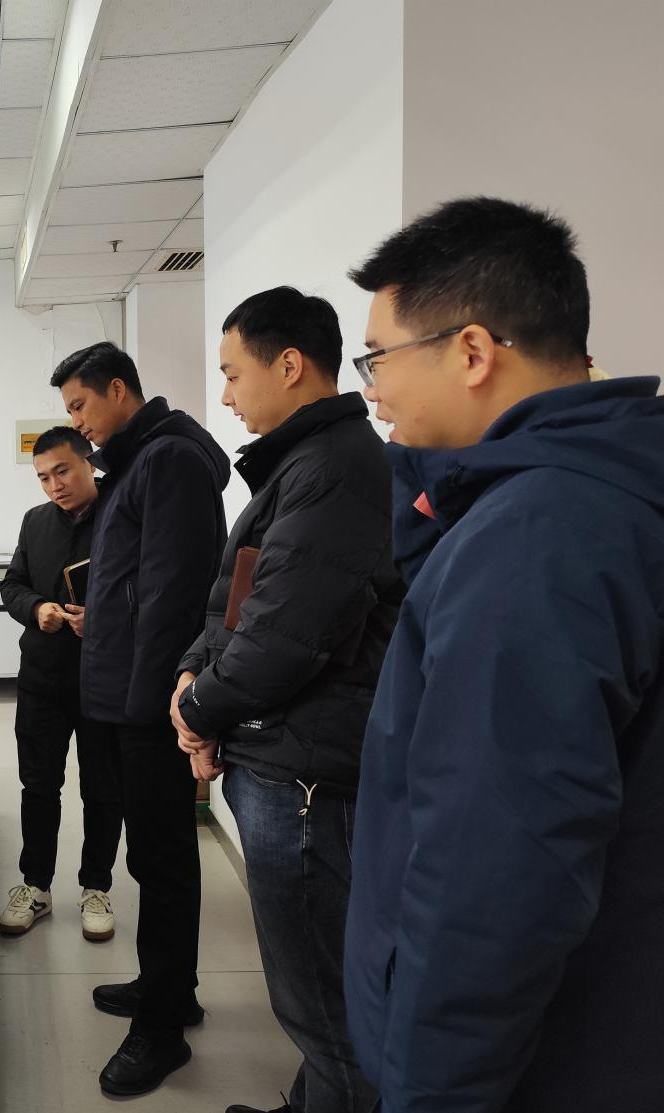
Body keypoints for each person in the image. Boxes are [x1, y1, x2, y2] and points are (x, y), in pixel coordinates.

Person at [343, 196, 664, 1112]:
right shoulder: (603, 488)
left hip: (549, 1059)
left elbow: (495, 871)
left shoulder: (534, 535)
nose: (371, 388)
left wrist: (430, 1092)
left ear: (472, 352)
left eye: (377, 358)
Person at [172, 287, 401, 1113]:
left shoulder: (334, 470)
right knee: (311, 991)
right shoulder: (302, 465)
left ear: (290, 365)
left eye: (233, 373)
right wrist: (192, 674)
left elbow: (281, 637)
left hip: (304, 776)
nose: (226, 394)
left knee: (324, 1004)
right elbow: (234, 600)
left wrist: (196, 711)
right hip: (279, 750)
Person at [51, 342, 230, 1097]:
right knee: (151, 857)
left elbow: (170, 595)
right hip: (125, 693)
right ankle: (169, 989)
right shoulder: (138, 460)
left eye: (79, 405)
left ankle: (161, 1030)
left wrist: (155, 700)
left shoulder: (169, 460)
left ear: (118, 389)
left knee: (160, 860)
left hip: (149, 701)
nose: (76, 421)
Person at [0, 426, 123, 942]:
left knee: (103, 789)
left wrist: (106, 620)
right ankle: (35, 886)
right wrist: (38, 609)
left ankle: (96, 886)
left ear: (89, 462)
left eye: (63, 471)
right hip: (43, 679)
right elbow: (12, 584)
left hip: (104, 679)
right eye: (44, 477)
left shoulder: (123, 515)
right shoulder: (36, 522)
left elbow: (150, 590)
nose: (55, 485)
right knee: (39, 785)